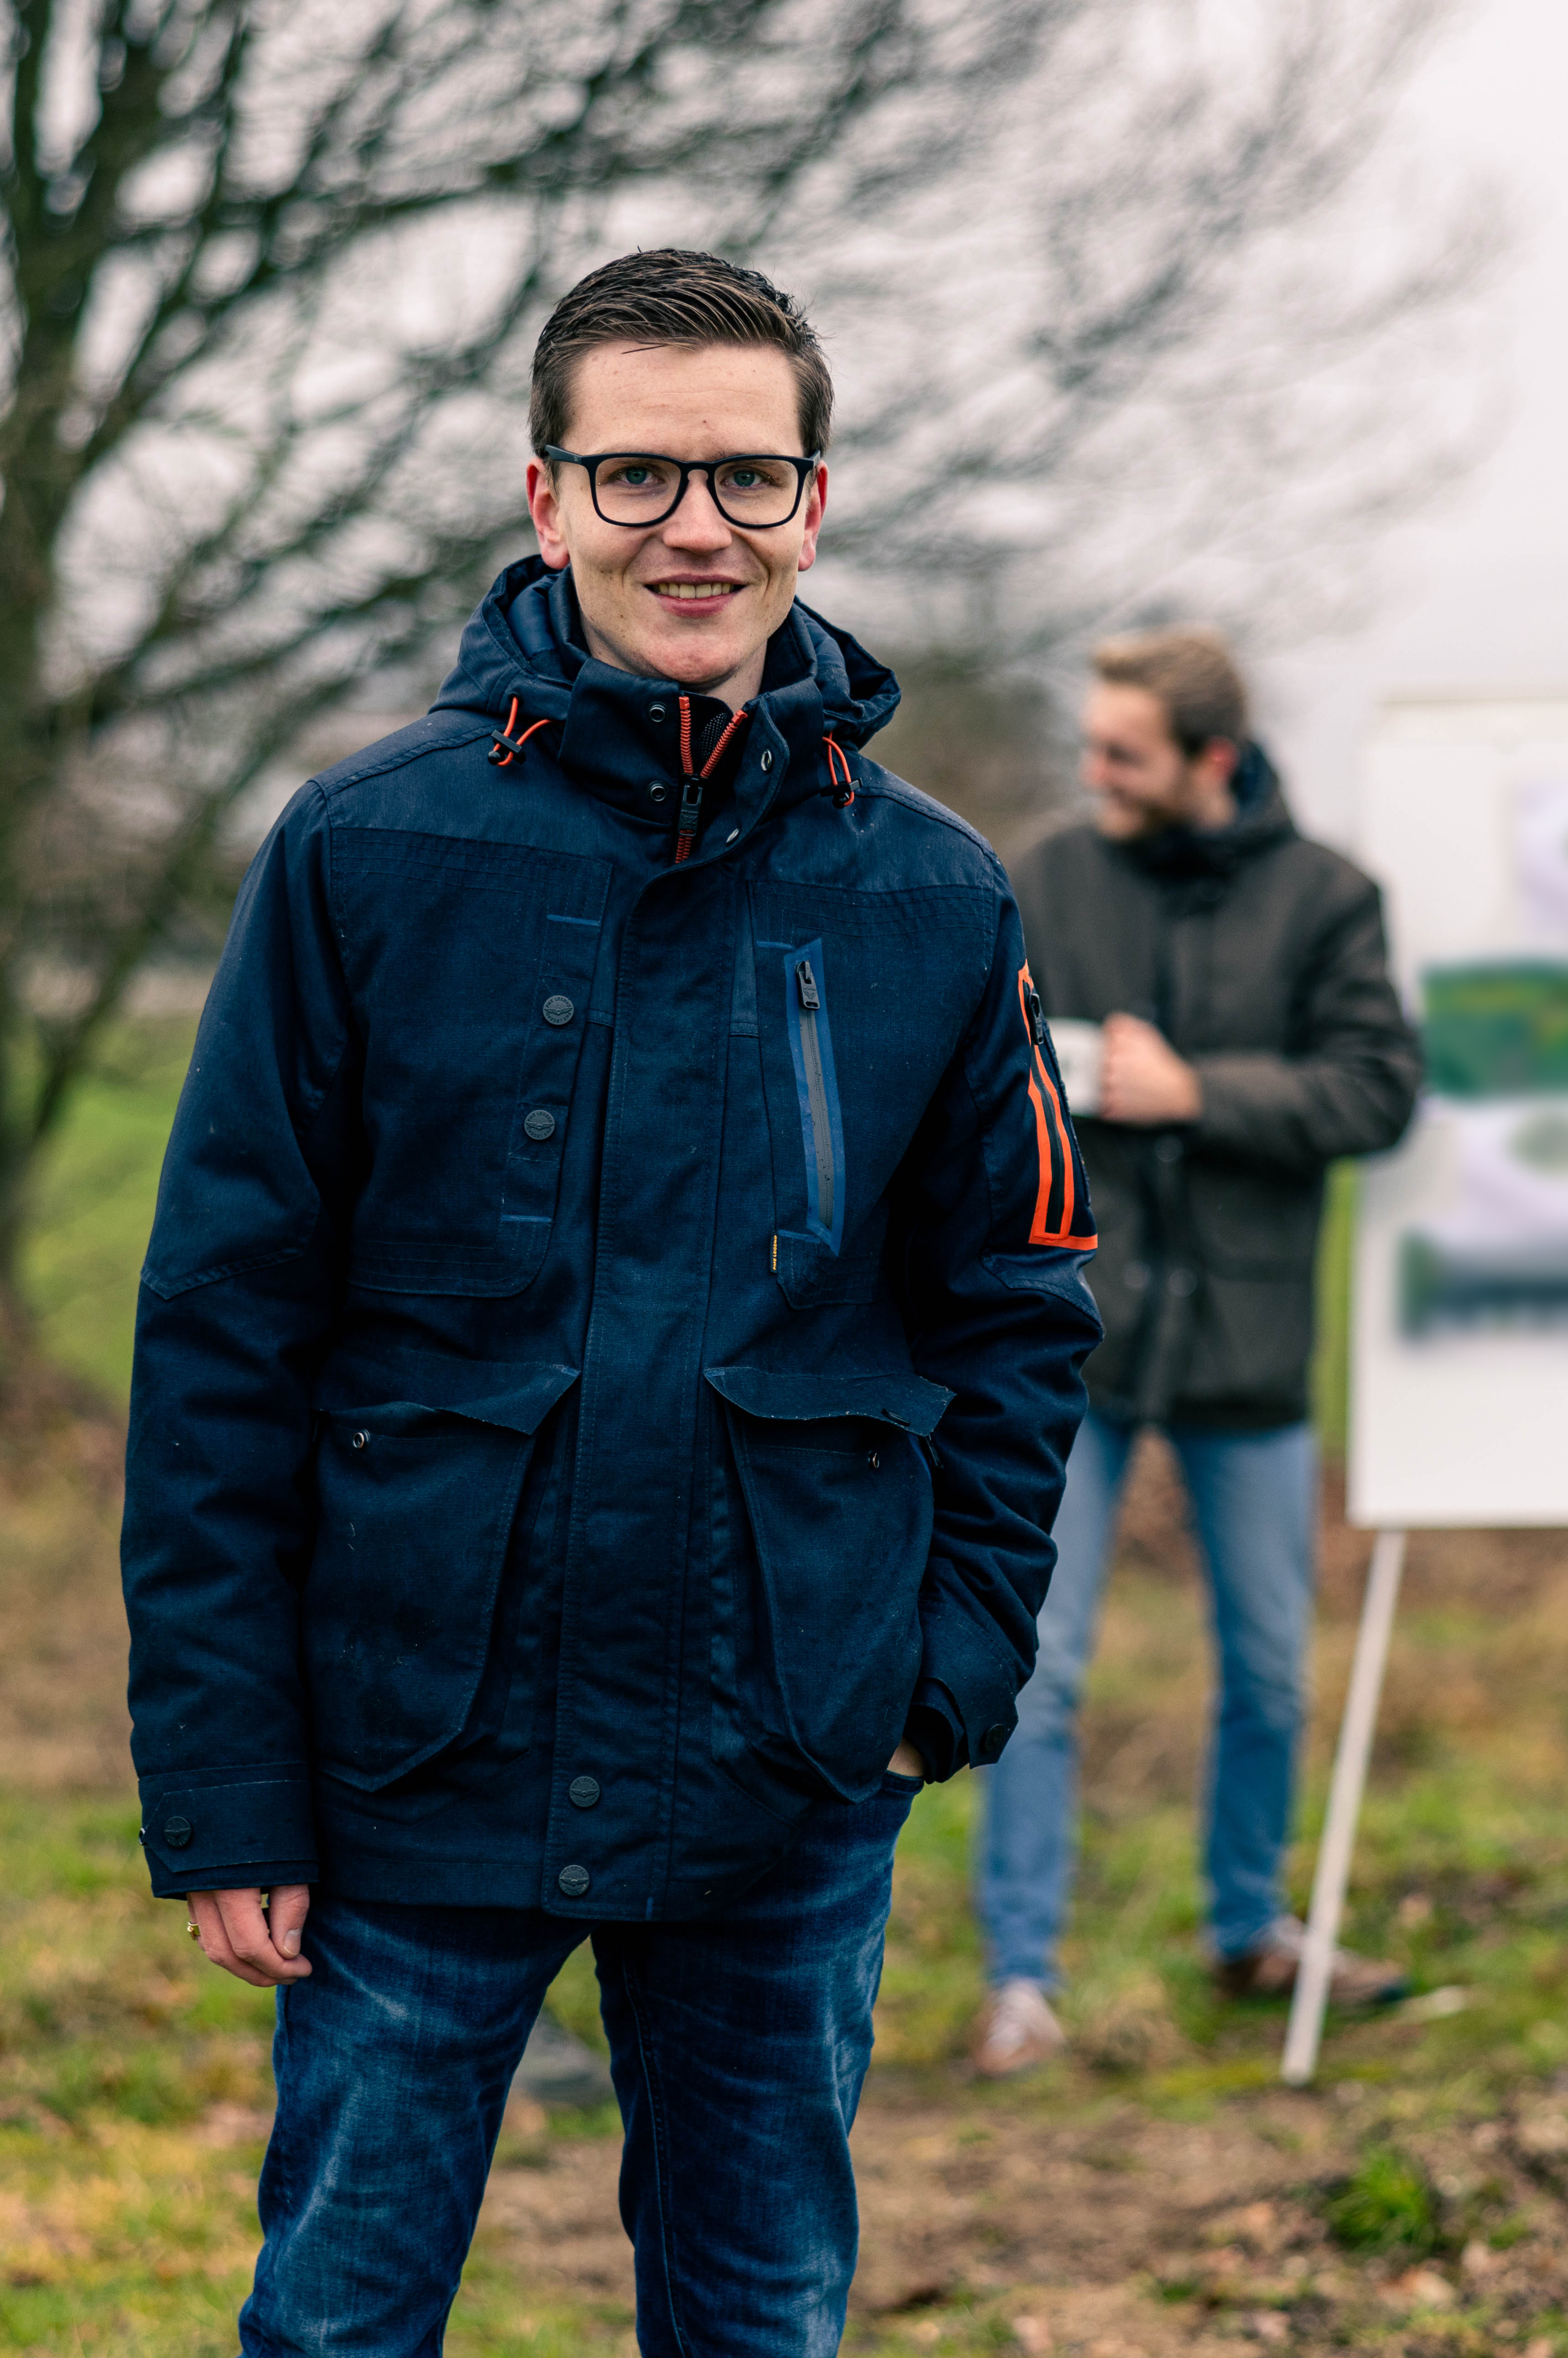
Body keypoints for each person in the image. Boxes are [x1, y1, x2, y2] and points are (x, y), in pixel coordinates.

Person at [119, 250, 1100, 2353]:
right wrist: (228, 1779)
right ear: (545, 498)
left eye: (749, 476)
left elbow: (1018, 1309)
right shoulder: (363, 853)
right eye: (637, 473)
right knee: (339, 2322)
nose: (696, 527)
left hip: (790, 1752)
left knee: (757, 2320)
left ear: (813, 504)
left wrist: (945, 1672)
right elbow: (222, 1330)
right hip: (417, 1746)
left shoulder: (933, 892)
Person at [968, 627, 1423, 2076]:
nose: (1092, 772)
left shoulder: (1331, 900)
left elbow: (1374, 1087)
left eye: (1123, 753)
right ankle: (1020, 1980)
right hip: (1071, 1342)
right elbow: (971, 1061)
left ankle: (1249, 1931)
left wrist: (1194, 1092)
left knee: (1270, 1669)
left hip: (1249, 1345)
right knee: (1035, 1670)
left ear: (1209, 764)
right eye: (1090, 743)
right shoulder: (1042, 879)